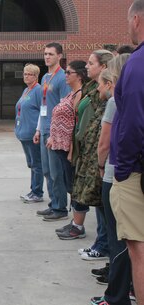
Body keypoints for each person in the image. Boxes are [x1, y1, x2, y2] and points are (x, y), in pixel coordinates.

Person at [59, 50, 113, 257]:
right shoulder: (92, 88)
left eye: (91, 63)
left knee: (100, 202)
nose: (87, 66)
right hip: (88, 151)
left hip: (97, 155)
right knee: (97, 201)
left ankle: (104, 246)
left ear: (104, 67)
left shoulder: (105, 95)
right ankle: (101, 243)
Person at [91, 54, 133, 305]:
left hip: (114, 173)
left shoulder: (116, 101)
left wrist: (98, 166)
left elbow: (104, 143)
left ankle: (115, 296)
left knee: (119, 240)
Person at [110, 1, 144, 303]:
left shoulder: (136, 63)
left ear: (137, 20)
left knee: (140, 249)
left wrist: (122, 169)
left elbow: (132, 123)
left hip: (136, 172)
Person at [44, 61, 88, 239]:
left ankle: (78, 226)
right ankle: (76, 222)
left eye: (69, 72)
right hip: (59, 145)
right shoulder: (71, 93)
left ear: (78, 75)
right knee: (69, 185)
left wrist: (71, 151)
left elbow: (76, 126)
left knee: (74, 187)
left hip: (68, 149)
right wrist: (53, 137)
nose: (66, 75)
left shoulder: (80, 95)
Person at [33, 42, 71, 221]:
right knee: (47, 171)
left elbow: (66, 107)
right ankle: (53, 203)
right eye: (45, 54)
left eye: (51, 54)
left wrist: (55, 134)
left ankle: (60, 208)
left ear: (59, 56)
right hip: (45, 130)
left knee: (57, 172)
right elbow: (43, 105)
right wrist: (39, 129)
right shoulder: (45, 78)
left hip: (55, 133)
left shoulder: (63, 78)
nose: (47, 57)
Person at [14, 64, 43, 203]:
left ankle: (37, 192)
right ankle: (33, 191)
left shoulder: (38, 90)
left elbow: (43, 111)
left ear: (36, 76)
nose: (26, 76)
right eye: (25, 74)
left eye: (30, 74)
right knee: (31, 164)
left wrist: (38, 130)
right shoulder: (26, 90)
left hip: (33, 135)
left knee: (37, 164)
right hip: (23, 134)